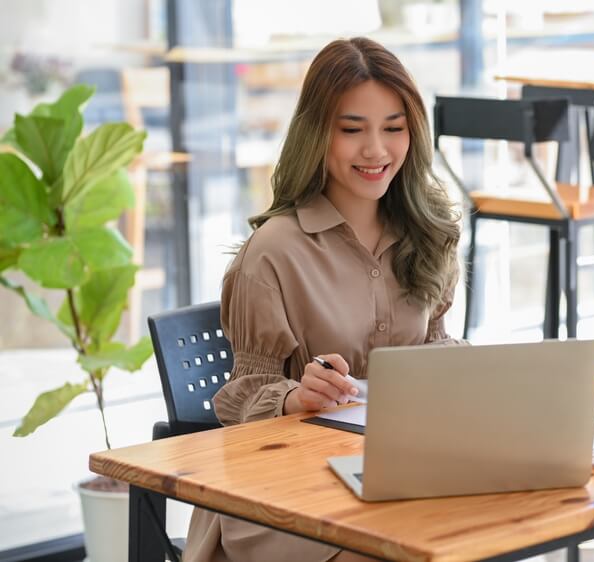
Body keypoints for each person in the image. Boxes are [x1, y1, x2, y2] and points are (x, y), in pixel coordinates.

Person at [183, 37, 462, 562]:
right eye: (352, 130)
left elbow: (433, 347)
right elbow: (242, 396)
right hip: (283, 499)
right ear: (318, 134)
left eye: (393, 129)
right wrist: (295, 396)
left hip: (393, 475)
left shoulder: (429, 235)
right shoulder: (272, 254)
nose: (376, 150)